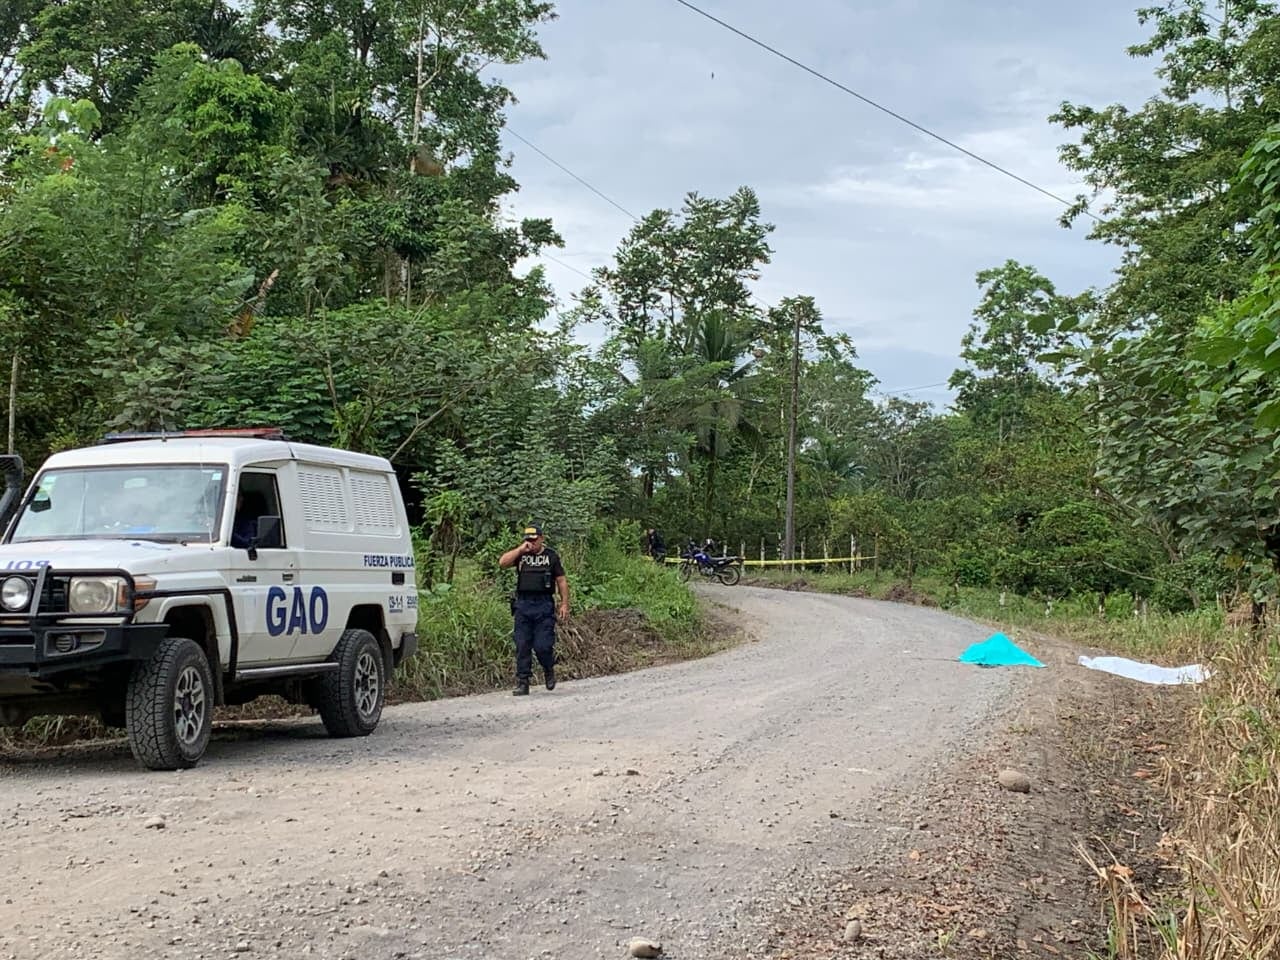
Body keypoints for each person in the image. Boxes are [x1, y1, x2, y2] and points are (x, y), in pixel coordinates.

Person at [498, 523, 570, 695]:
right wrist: (520, 550)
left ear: (542, 538)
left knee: (543, 645)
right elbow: (502, 563)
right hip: (523, 604)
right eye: (528, 539)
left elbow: (561, 580)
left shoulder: (551, 556)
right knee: (522, 644)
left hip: (543, 605)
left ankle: (548, 669)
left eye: (534, 539)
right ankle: (523, 682)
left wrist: (564, 603)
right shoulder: (521, 554)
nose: (531, 542)